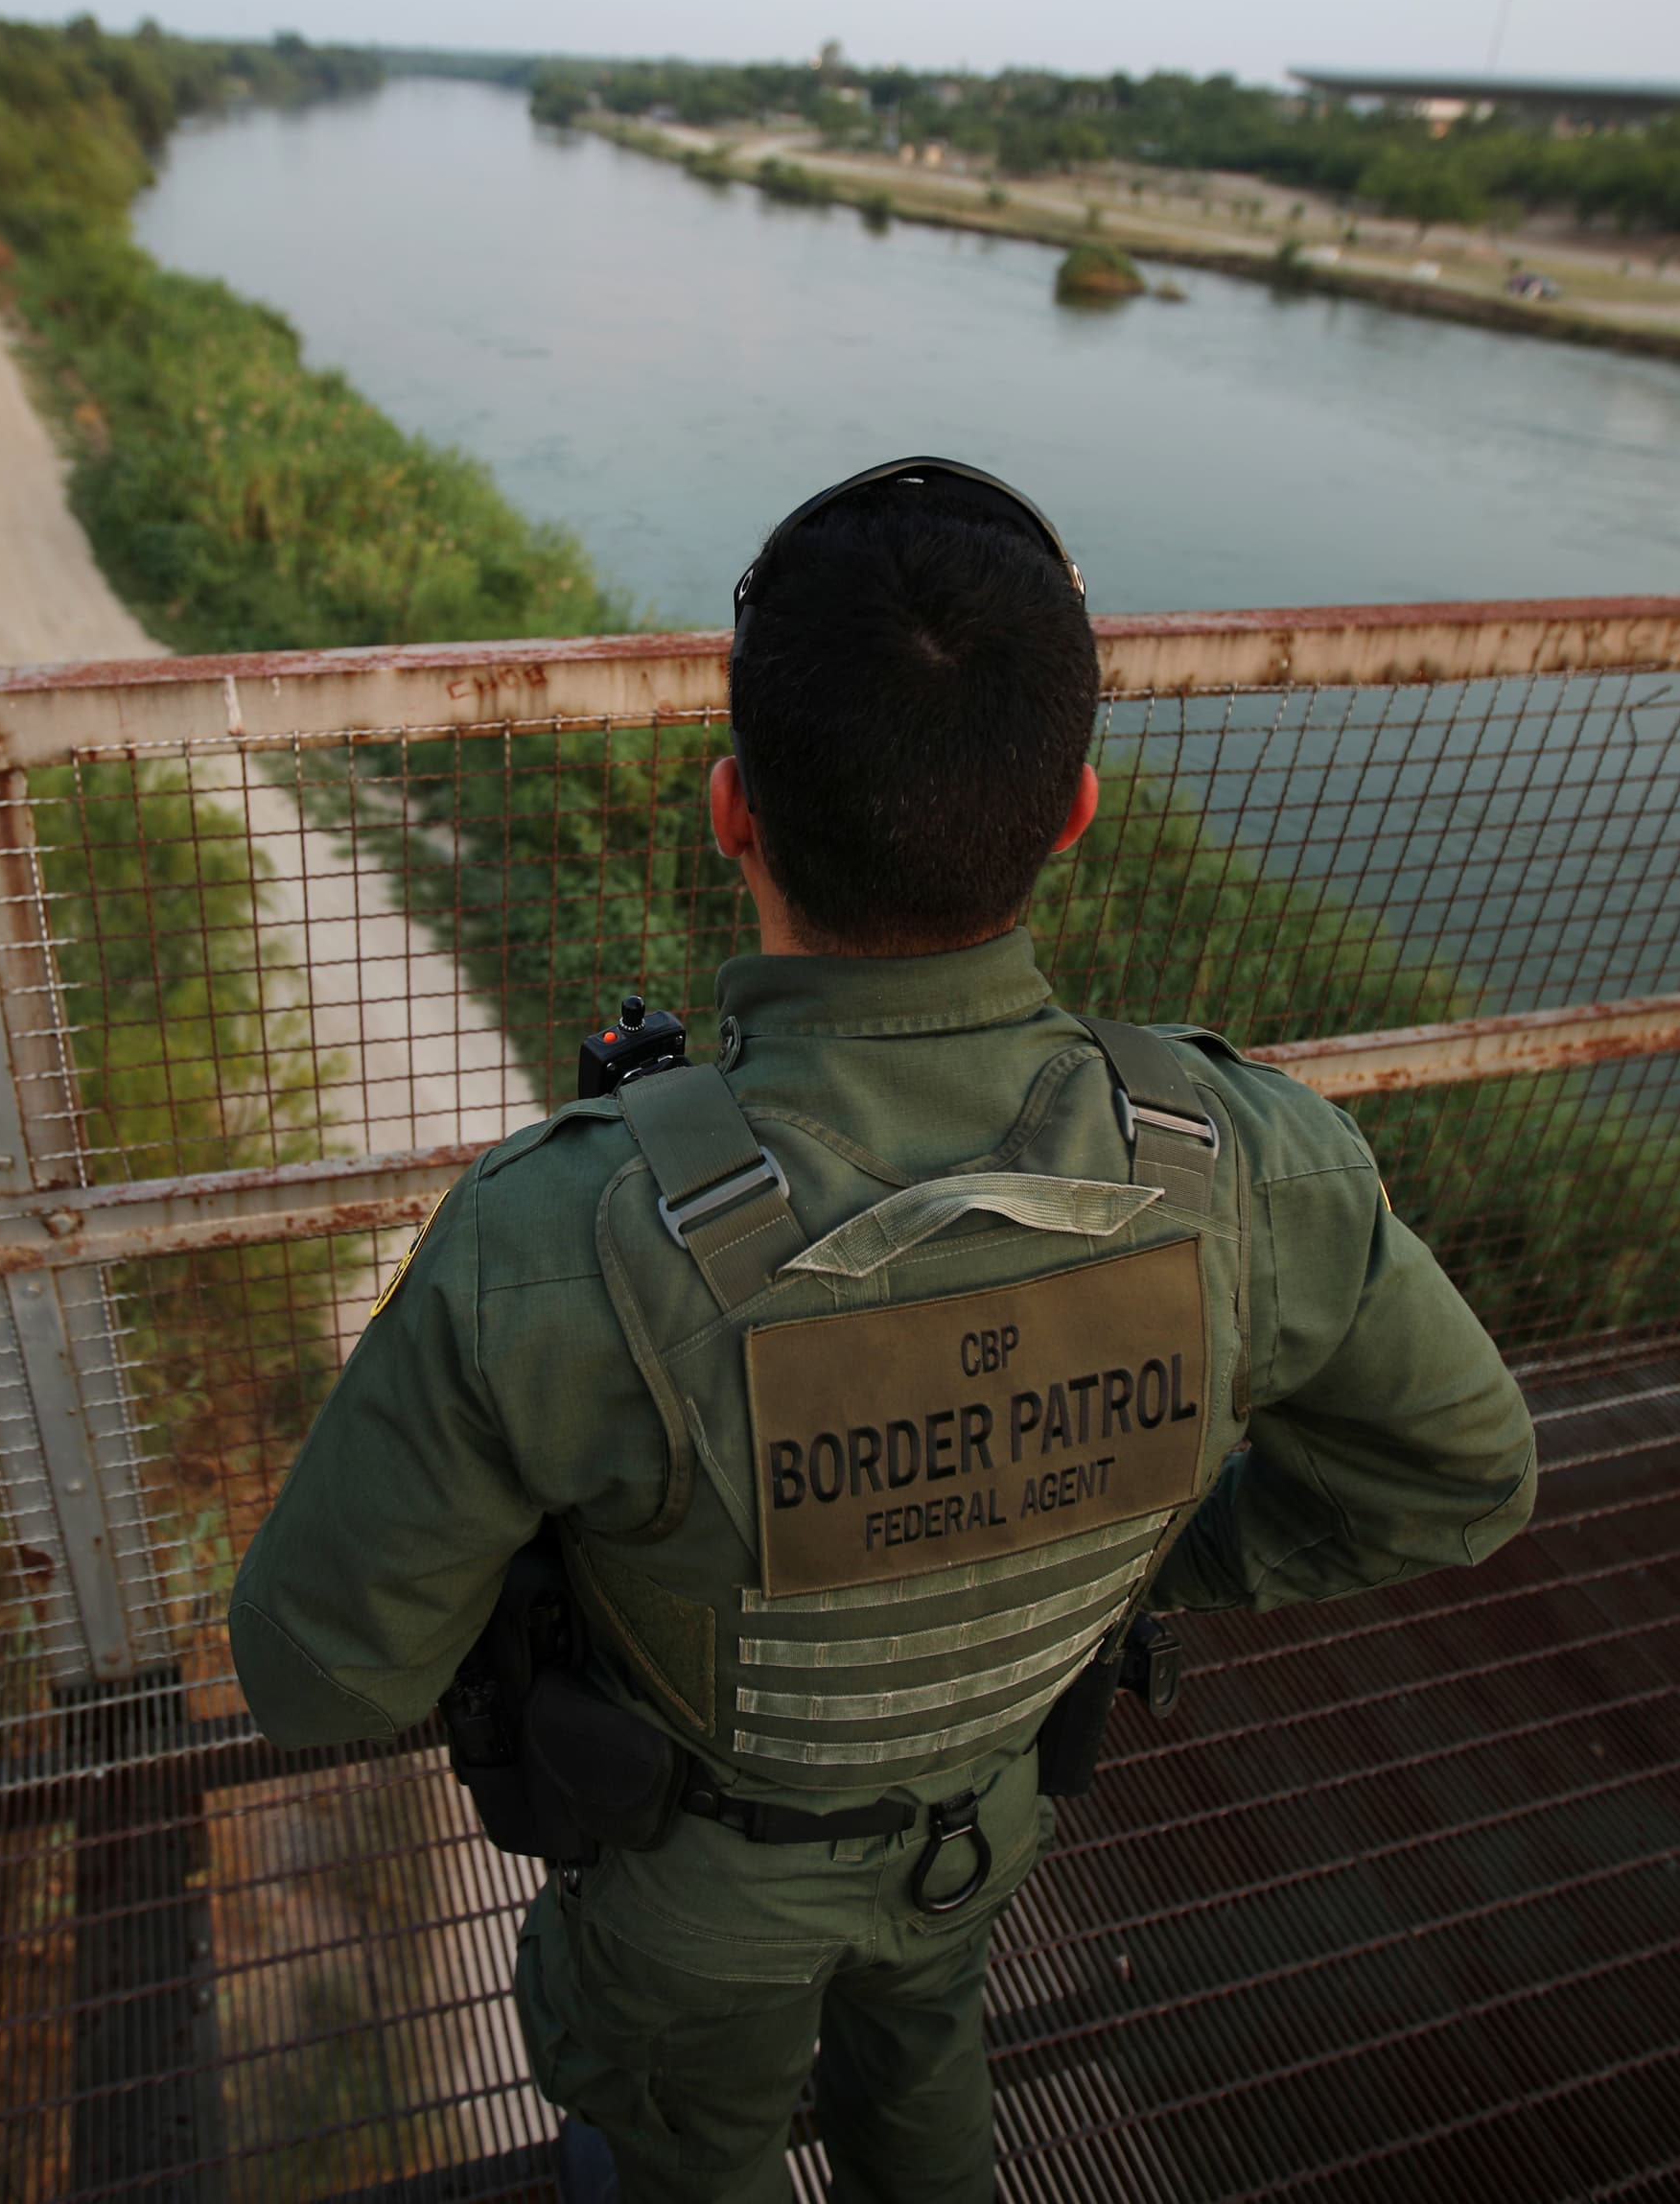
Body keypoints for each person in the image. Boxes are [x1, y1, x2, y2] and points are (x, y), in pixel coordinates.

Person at [228, 459, 1537, 2203]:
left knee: (692, 2154)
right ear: (1075, 810)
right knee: (924, 2056)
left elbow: (319, 1674)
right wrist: (1122, 1550)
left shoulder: (546, 1243)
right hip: (980, 1833)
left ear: (728, 808)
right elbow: (1459, 1479)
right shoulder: (1250, 1167)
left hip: (693, 1907)